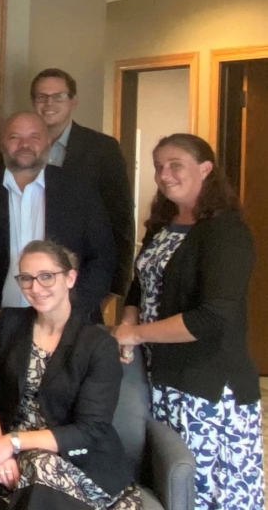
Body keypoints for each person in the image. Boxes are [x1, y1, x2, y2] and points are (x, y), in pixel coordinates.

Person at [112, 134, 263, 510]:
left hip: (206, 384)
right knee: (169, 478)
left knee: (204, 489)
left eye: (175, 165)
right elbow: (139, 288)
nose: (164, 175)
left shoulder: (225, 231)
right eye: (158, 166)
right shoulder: (163, 224)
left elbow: (212, 318)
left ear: (205, 169)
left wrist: (136, 334)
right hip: (161, 375)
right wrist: (126, 326)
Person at [0, 240, 140, 509]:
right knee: (30, 471)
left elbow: (90, 429)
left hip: (81, 461)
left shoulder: (98, 345)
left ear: (70, 278)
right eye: (26, 278)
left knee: (39, 467)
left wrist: (12, 442)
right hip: (14, 458)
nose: (36, 288)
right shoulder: (8, 325)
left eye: (47, 276)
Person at [0, 112, 114, 367]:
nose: (24, 145)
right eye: (15, 137)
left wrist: (73, 311)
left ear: (48, 142)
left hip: (69, 328)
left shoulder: (79, 189)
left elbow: (102, 256)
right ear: (2, 143)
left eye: (34, 137)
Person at [31, 68, 134, 297]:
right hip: (28, 275)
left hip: (83, 277)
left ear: (73, 101)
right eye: (41, 96)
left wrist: (116, 287)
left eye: (58, 96)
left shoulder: (103, 149)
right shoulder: (20, 147)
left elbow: (120, 220)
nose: (49, 103)